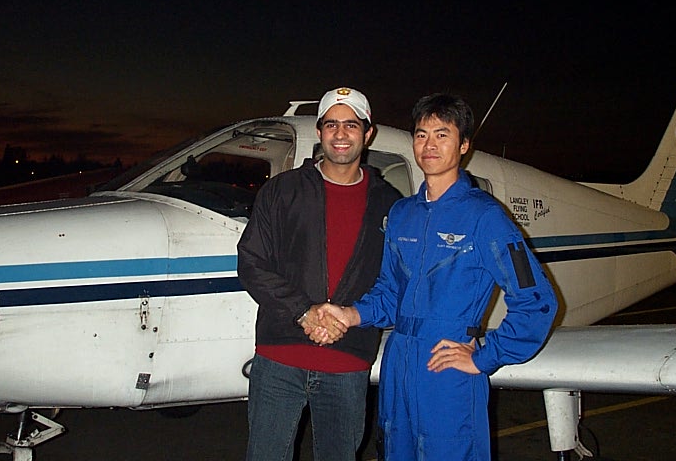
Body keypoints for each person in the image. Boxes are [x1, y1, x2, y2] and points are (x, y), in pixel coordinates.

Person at [311, 92, 558, 460]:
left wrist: (485, 356)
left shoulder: (485, 217)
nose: (429, 145)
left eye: (442, 135)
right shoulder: (401, 214)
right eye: (421, 134)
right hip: (398, 365)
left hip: (448, 370)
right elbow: (389, 293)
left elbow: (537, 301)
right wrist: (349, 314)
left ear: (464, 145)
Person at [236, 86, 401, 461]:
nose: (341, 134)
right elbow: (251, 261)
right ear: (319, 132)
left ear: (368, 133)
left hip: (348, 362)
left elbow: (394, 282)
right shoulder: (281, 191)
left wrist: (349, 317)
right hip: (279, 358)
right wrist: (304, 312)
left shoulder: (390, 204)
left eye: (351, 125)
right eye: (331, 125)